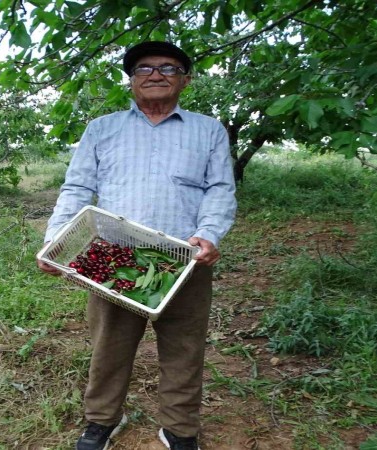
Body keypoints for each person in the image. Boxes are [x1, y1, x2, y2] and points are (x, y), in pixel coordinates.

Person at [37, 41, 237, 450]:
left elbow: (220, 188)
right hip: (113, 255)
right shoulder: (102, 128)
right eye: (144, 68)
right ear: (131, 80)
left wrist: (209, 233)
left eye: (168, 67)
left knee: (184, 349)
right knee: (108, 347)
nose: (156, 74)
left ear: (185, 80)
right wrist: (55, 239)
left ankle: (179, 428)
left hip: (185, 258)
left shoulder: (208, 130)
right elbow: (77, 187)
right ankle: (102, 420)